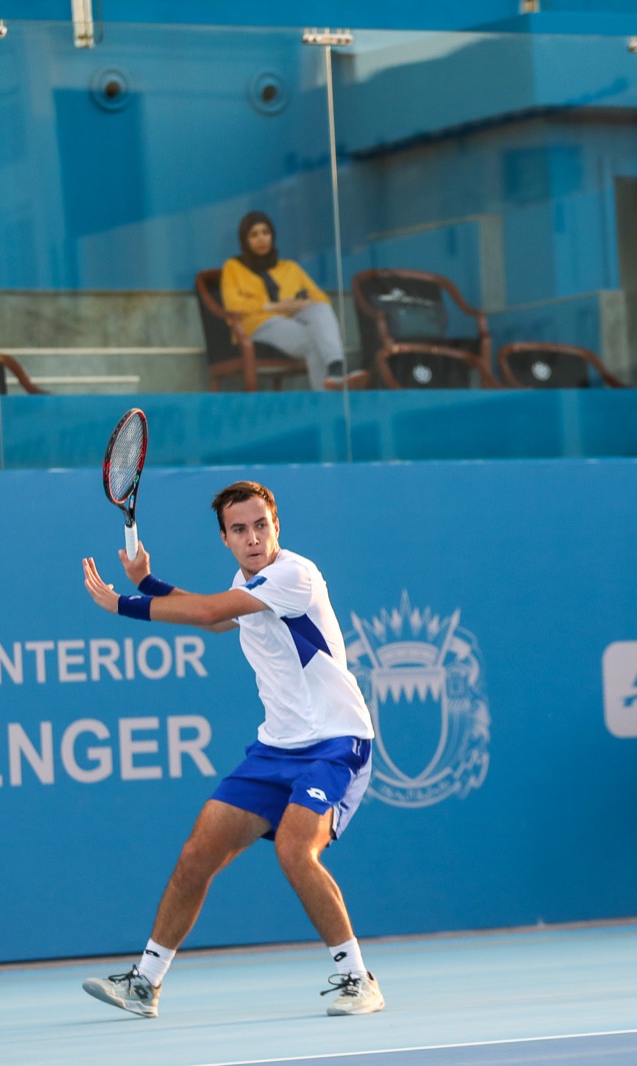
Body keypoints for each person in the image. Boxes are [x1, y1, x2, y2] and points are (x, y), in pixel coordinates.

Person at [78, 480, 385, 1018]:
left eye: (261, 525)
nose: (253, 538)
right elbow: (220, 617)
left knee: (294, 850)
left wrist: (123, 603)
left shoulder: (294, 574)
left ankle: (359, 979)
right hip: (275, 750)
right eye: (239, 529)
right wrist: (147, 580)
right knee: (197, 854)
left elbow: (204, 614)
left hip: (335, 742)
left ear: (276, 526)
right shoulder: (247, 584)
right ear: (225, 538)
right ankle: (145, 983)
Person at [219, 211, 347, 389]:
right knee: (315, 341)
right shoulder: (233, 267)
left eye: (265, 232)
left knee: (321, 308)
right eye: (254, 235)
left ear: (272, 236)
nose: (261, 239)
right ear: (245, 240)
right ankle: (328, 395)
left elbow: (321, 297)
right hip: (259, 323)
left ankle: (336, 366)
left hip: (293, 317)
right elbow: (233, 304)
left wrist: (306, 302)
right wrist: (275, 307)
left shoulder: (289, 267)